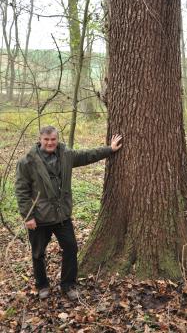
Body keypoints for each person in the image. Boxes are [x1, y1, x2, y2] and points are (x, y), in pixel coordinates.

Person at [15, 125, 122, 300]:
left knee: (71, 248)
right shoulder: (27, 162)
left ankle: (68, 285)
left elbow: (88, 155)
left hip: (62, 216)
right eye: (46, 139)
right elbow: (21, 191)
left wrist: (109, 149)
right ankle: (42, 285)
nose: (50, 143)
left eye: (53, 140)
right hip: (39, 218)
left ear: (57, 140)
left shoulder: (66, 155)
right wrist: (28, 216)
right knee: (38, 253)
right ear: (40, 139)